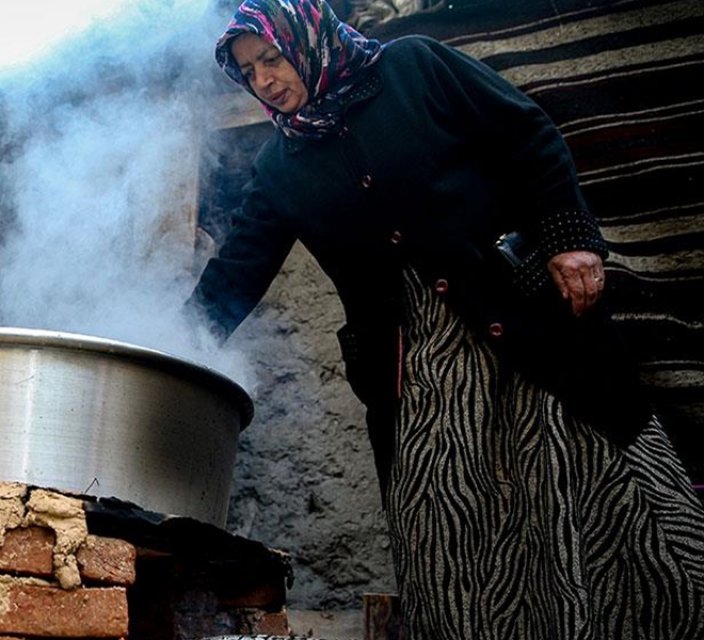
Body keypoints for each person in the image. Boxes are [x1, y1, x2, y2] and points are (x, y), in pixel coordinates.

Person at [189, 1, 704, 638]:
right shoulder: (277, 168)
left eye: (272, 58)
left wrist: (571, 236)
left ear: (309, 39)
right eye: (248, 72)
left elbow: (527, 132)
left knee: (593, 492)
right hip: (420, 372)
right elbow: (235, 272)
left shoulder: (414, 68)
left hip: (529, 329)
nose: (264, 80)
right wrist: (176, 347)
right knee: (449, 530)